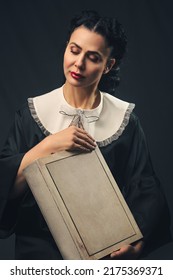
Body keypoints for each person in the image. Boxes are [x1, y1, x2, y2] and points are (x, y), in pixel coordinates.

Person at [0, 10, 170, 260]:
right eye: (74, 50)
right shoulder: (30, 114)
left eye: (92, 57)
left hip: (105, 253)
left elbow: (145, 188)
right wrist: (46, 146)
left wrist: (138, 240)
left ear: (108, 65)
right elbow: (6, 187)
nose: (78, 63)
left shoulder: (126, 121)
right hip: (38, 253)